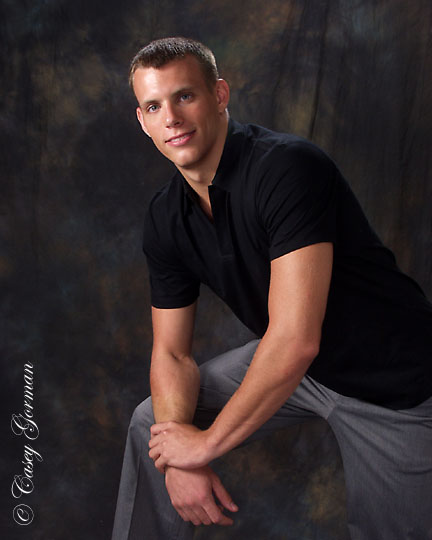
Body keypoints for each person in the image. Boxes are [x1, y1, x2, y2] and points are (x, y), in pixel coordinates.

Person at [111, 36, 432, 540]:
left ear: (220, 95)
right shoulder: (165, 217)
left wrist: (204, 445)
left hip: (393, 380)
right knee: (154, 423)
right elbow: (172, 354)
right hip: (300, 368)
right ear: (142, 120)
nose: (171, 117)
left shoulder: (287, 167)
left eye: (185, 96)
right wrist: (178, 455)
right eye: (154, 106)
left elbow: (296, 339)